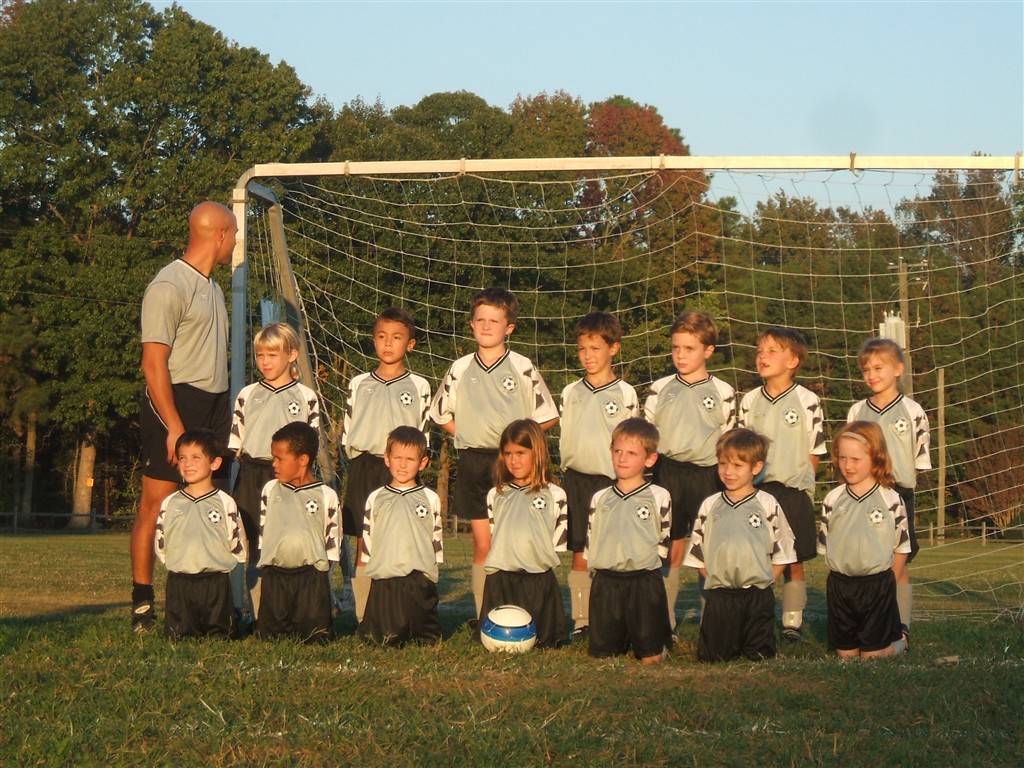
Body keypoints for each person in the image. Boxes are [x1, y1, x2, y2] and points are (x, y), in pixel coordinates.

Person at [133, 200, 237, 631]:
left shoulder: (213, 288)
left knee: (213, 502)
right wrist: (173, 425)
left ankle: (211, 604)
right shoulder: (168, 285)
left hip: (215, 403)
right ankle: (142, 604)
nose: (236, 243)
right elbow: (153, 363)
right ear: (221, 235)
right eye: (234, 235)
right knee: (157, 502)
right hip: (177, 401)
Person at [428, 287, 559, 621]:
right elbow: (440, 414)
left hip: (513, 466)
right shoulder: (459, 368)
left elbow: (547, 416)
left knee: (517, 544)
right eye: (481, 320)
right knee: (484, 547)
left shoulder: (522, 366)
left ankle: (523, 613)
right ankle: (486, 617)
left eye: (495, 321)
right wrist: (466, 435)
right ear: (471, 324)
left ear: (509, 327)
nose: (487, 326)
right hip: (474, 463)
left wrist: (518, 448)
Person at [644, 310, 736, 630]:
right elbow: (648, 433)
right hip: (667, 472)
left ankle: (712, 619)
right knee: (669, 544)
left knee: (707, 547)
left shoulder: (723, 391)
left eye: (689, 349)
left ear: (708, 351)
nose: (680, 355)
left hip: (707, 475)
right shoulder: (660, 388)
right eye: (676, 348)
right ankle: (664, 621)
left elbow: (729, 438)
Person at [342, 308, 431, 624]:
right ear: (373, 340)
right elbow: (349, 430)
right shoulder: (359, 383)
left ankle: (403, 610)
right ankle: (364, 615)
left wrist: (410, 465)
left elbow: (422, 432)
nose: (388, 343)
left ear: (410, 344)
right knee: (364, 542)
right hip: (366, 467)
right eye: (381, 336)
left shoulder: (419, 385)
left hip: (402, 471)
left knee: (402, 539)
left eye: (396, 337)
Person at [737, 326, 826, 643]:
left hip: (792, 492)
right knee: (756, 557)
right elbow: (741, 449)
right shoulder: (749, 401)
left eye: (772, 351)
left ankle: (792, 623)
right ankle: (751, 615)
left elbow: (814, 450)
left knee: (793, 560)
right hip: (757, 493)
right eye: (760, 351)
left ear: (793, 361)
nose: (763, 356)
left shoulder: (808, 400)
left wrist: (804, 489)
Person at [229, 322, 320, 622]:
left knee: (288, 543)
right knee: (254, 547)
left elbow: (312, 442)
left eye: (272, 354)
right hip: (251, 475)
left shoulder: (306, 396)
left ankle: (294, 610)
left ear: (292, 355)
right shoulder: (247, 394)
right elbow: (235, 442)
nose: (265, 362)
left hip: (289, 479)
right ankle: (257, 615)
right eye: (260, 355)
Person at [683, 429, 797, 662]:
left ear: (756, 467)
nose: (728, 471)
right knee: (714, 657)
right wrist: (713, 579)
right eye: (723, 463)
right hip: (720, 595)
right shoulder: (710, 505)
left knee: (760, 656)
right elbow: (697, 552)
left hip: (757, 595)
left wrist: (767, 580)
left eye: (737, 465)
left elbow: (784, 550)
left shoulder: (767, 503)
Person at [559, 311, 639, 642]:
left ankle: (615, 619)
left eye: (595, 348)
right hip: (577, 481)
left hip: (612, 485)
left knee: (613, 555)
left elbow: (632, 442)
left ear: (614, 348)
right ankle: (582, 622)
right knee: (580, 553)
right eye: (582, 349)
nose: (588, 356)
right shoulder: (570, 391)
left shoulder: (626, 393)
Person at [847, 337, 930, 649]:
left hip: (898, 493)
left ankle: (901, 628)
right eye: (866, 370)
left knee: (899, 560)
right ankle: (865, 622)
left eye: (878, 368)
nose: (871, 375)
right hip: (863, 495)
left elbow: (919, 461)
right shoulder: (857, 411)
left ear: (898, 369)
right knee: (865, 559)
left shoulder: (913, 411)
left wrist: (899, 485)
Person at [819, 421, 910, 658]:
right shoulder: (832, 499)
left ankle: (900, 643)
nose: (848, 465)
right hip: (840, 585)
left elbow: (901, 548)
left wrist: (889, 583)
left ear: (876, 458)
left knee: (872, 657)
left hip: (877, 585)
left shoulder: (891, 499)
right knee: (846, 656)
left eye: (856, 459)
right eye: (842, 458)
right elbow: (827, 544)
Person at [585, 418, 672, 663]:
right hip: (607, 582)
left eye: (631, 453)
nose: (622, 458)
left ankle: (657, 643)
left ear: (650, 459)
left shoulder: (659, 496)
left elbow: (663, 537)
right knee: (603, 656)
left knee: (650, 659)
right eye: (618, 451)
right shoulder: (600, 497)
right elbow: (592, 537)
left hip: (643, 582)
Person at [479, 420, 568, 649]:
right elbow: (495, 534)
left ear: (537, 452)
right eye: (508, 453)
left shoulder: (555, 494)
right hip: (501, 579)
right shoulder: (496, 494)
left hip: (537, 579)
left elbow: (556, 542)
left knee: (545, 642)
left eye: (521, 453)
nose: (513, 460)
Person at [155, 429, 247, 640]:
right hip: (180, 582)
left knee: (221, 636)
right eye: (182, 458)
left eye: (196, 457)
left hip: (215, 582)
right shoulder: (171, 502)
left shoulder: (225, 502)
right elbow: (161, 540)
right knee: (178, 636)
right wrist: (174, 561)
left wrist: (229, 562)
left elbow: (237, 538)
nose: (188, 464)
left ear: (214, 463)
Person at [358, 426, 443, 647]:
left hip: (419, 579)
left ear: (422, 463)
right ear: (387, 459)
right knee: (383, 640)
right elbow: (369, 537)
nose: (403, 465)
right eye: (397, 458)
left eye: (410, 459)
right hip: (386, 579)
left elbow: (435, 537)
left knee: (424, 639)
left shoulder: (430, 498)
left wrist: (431, 570)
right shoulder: (376, 497)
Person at [257, 422, 340, 644]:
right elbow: (264, 532)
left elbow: (332, 542)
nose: (274, 464)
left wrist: (321, 573)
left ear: (302, 460)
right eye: (273, 458)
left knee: (316, 638)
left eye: (279, 459)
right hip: (275, 577)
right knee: (270, 638)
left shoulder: (326, 495)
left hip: (311, 579)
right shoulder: (270, 489)